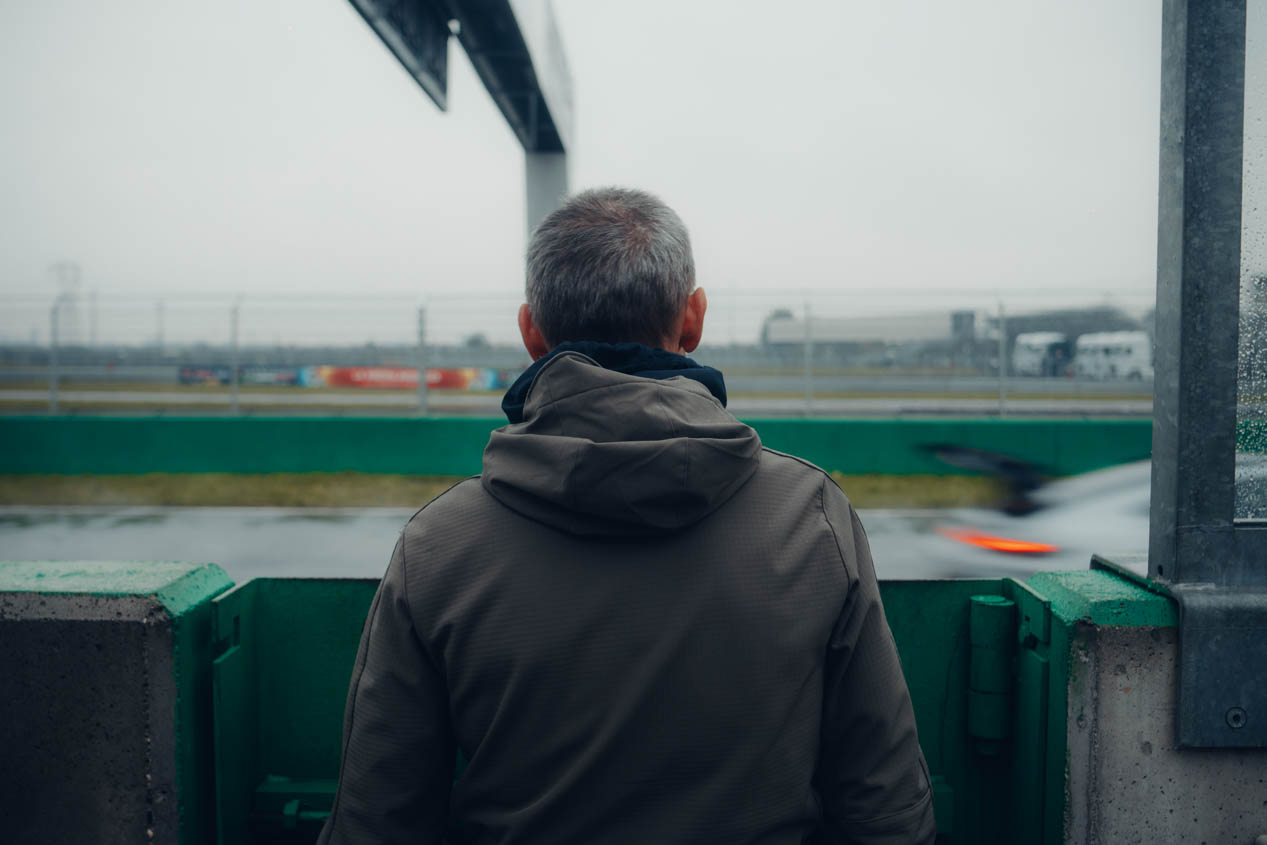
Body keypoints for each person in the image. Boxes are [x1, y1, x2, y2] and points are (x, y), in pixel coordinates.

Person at [318, 187, 935, 844]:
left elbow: (376, 821)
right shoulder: (812, 517)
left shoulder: (439, 542)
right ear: (693, 319)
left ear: (531, 333)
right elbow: (886, 807)